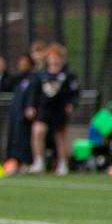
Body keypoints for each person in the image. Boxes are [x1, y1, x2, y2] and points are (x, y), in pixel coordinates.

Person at [29, 42, 79, 174]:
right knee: (37, 132)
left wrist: (71, 104)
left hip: (59, 109)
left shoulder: (68, 74)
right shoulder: (43, 73)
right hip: (45, 108)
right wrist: (31, 106)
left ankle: (63, 163)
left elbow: (74, 92)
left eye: (56, 57)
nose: (53, 60)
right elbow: (35, 92)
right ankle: (38, 161)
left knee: (60, 136)